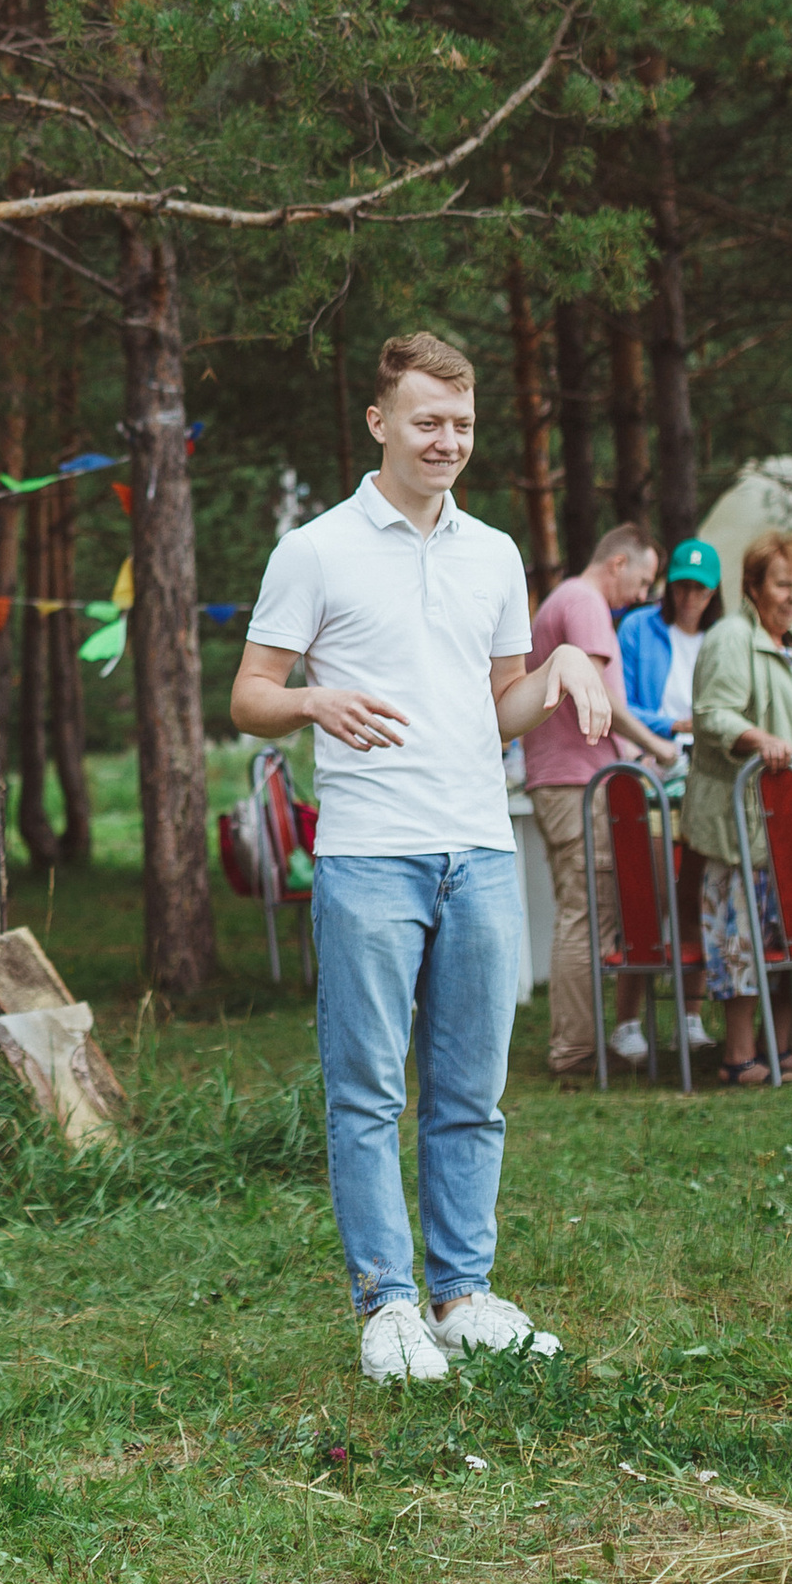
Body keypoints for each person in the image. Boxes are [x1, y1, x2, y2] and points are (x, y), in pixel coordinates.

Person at [231, 328, 612, 1386]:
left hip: (479, 849)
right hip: (367, 857)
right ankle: (387, 1306)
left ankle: (463, 1296)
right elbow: (249, 695)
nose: (446, 440)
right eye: (427, 421)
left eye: (462, 424)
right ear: (380, 422)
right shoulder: (314, 549)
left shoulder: (493, 552)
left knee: (472, 1093)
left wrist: (560, 667)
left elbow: (499, 705)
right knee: (366, 1096)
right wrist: (312, 700)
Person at [520, 522, 682, 1082]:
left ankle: (580, 1043)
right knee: (586, 912)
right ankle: (575, 1052)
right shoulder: (585, 603)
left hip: (566, 779)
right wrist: (658, 746)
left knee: (585, 909)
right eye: (643, 580)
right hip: (576, 785)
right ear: (618, 563)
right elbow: (603, 697)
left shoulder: (567, 600)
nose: (643, 595)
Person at [683, 528, 792, 1087]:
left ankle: (782, 1050)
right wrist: (761, 739)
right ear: (753, 586)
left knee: (787, 928)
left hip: (791, 816)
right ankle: (739, 1057)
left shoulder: (790, 644)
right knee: (738, 934)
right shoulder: (732, 637)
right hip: (741, 817)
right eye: (783, 585)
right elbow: (712, 713)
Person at [621, 538, 721, 736]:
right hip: (649, 745)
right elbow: (619, 703)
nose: (689, 596)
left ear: (712, 592)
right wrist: (672, 725)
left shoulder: (723, 638)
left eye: (699, 588)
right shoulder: (637, 627)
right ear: (669, 585)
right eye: (683, 585)